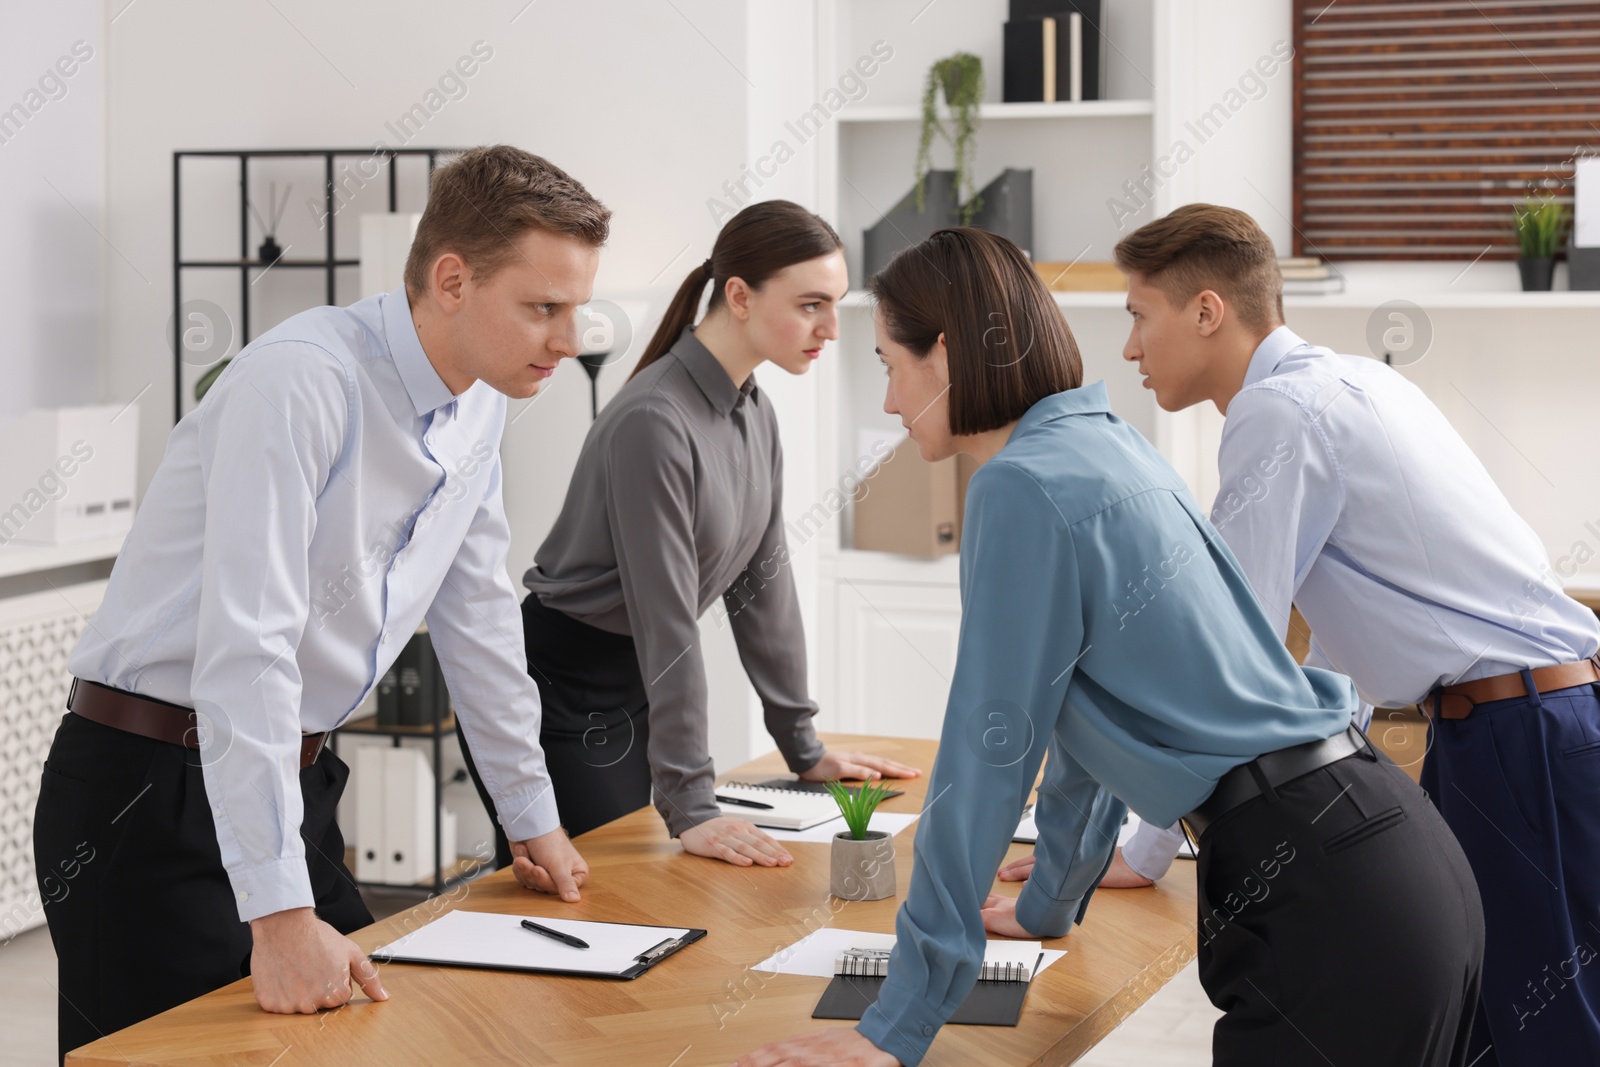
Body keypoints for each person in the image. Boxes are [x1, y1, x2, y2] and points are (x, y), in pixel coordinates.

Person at [735, 227, 1484, 1067]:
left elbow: (990, 755)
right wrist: (1051, 902)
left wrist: (895, 1024)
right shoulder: (1106, 446)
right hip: (1385, 855)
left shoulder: (1018, 485)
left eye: (886, 364)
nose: (886, 400)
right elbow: (1082, 724)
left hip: (1322, 887)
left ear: (943, 354)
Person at [34, 145, 598, 1062]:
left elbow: (481, 619)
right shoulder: (302, 378)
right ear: (452, 279)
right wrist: (282, 911)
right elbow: (249, 647)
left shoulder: (481, 410)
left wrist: (531, 815)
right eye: (544, 308)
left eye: (574, 308)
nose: (569, 341)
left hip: (287, 780)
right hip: (145, 789)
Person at [1091, 202, 1598, 1065]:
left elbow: (1229, 649)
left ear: (1207, 310)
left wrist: (1140, 847)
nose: (1131, 348)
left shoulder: (1277, 415)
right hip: (1508, 729)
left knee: (1546, 1036)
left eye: (1140, 316)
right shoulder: (1354, 383)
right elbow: (1337, 639)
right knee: (1487, 1028)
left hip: (1520, 738)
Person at [457, 200, 919, 870]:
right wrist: (691, 801)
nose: (830, 327)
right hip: (558, 688)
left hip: (631, 682)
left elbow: (764, 589)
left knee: (632, 895)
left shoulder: (752, 411)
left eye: (835, 304)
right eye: (811, 303)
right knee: (595, 898)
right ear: (739, 295)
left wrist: (803, 745)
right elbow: (667, 620)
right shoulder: (655, 420)